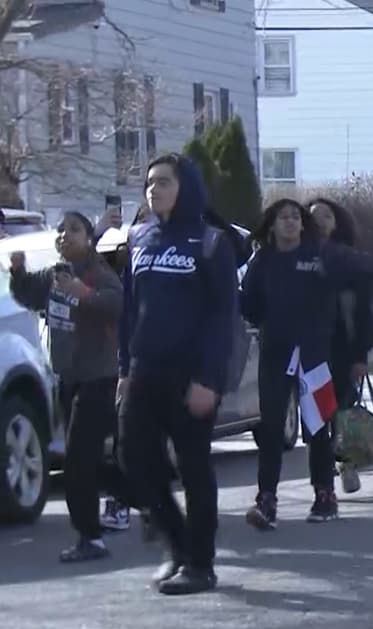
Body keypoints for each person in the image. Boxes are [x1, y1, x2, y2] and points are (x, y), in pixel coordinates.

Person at [118, 153, 238, 595]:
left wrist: (210, 379)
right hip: (143, 371)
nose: (154, 189)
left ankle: (200, 565)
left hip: (191, 377)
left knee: (194, 470)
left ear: (185, 187)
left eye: (164, 182)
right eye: (150, 182)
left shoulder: (210, 242)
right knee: (135, 462)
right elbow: (131, 309)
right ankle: (177, 546)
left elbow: (224, 317)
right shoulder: (140, 238)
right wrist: (123, 369)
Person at [240, 199, 373, 528]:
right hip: (276, 354)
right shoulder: (263, 261)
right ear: (271, 225)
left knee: (317, 427)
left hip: (315, 354)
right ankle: (267, 498)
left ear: (303, 225)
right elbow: (248, 303)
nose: (289, 222)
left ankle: (324, 494)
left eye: (295, 218)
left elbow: (363, 272)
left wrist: (358, 352)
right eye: (282, 217)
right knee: (271, 427)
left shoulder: (321, 256)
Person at [8, 212, 125, 562]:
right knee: (97, 462)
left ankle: (91, 538)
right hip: (69, 380)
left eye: (74, 229)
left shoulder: (99, 272)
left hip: (99, 380)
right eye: (60, 230)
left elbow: (117, 305)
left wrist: (83, 293)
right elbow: (29, 295)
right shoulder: (55, 274)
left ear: (89, 238)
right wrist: (17, 273)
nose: (65, 235)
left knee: (77, 463)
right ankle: (144, 498)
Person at [307, 198, 372, 494]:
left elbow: (362, 312)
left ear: (337, 222)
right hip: (310, 347)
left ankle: (348, 463)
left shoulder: (351, 260)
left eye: (326, 216)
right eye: (314, 216)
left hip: (343, 346)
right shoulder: (295, 256)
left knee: (344, 407)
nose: (320, 221)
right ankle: (323, 480)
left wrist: (361, 355)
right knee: (318, 415)